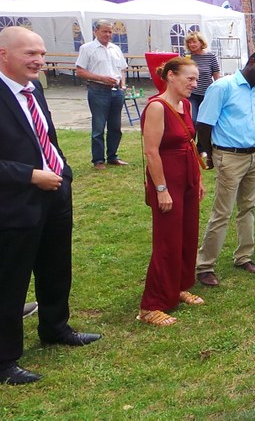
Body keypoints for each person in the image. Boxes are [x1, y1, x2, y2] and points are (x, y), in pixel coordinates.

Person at [0, 27, 101, 385]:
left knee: (56, 266)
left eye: (41, 54)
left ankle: (56, 328)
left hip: (55, 192)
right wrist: (30, 175)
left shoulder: (34, 89)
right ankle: (5, 360)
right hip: (15, 203)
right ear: (4, 55)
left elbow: (46, 136)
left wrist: (62, 171)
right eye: (30, 54)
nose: (39, 61)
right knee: (11, 281)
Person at [194, 51, 255, 287]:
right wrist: (209, 153)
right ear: (251, 62)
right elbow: (204, 124)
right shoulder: (223, 87)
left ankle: (243, 257)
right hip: (229, 156)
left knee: (248, 207)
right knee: (222, 212)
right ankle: (205, 265)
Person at [138, 57, 206, 326]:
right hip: (167, 179)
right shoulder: (157, 107)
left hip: (187, 176)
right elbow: (151, 152)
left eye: (196, 78)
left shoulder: (185, 104)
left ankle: (177, 286)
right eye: (189, 78)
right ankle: (151, 305)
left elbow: (190, 143)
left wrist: (197, 179)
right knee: (167, 241)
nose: (194, 83)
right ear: (171, 77)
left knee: (187, 236)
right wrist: (161, 189)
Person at [75, 19, 129, 170]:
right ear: (95, 31)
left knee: (115, 126)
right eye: (104, 31)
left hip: (116, 91)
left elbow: (122, 69)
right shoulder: (87, 48)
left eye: (110, 31)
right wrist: (101, 78)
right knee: (98, 127)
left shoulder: (115, 49)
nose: (108, 34)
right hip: (98, 90)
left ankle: (113, 156)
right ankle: (98, 160)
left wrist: (122, 84)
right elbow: (80, 71)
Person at [184, 31, 221, 123]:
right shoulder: (187, 57)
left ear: (201, 42)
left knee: (204, 121)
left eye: (194, 42)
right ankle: (191, 137)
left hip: (207, 94)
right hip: (191, 93)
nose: (192, 44)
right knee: (192, 119)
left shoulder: (210, 56)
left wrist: (219, 91)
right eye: (189, 42)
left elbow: (216, 76)